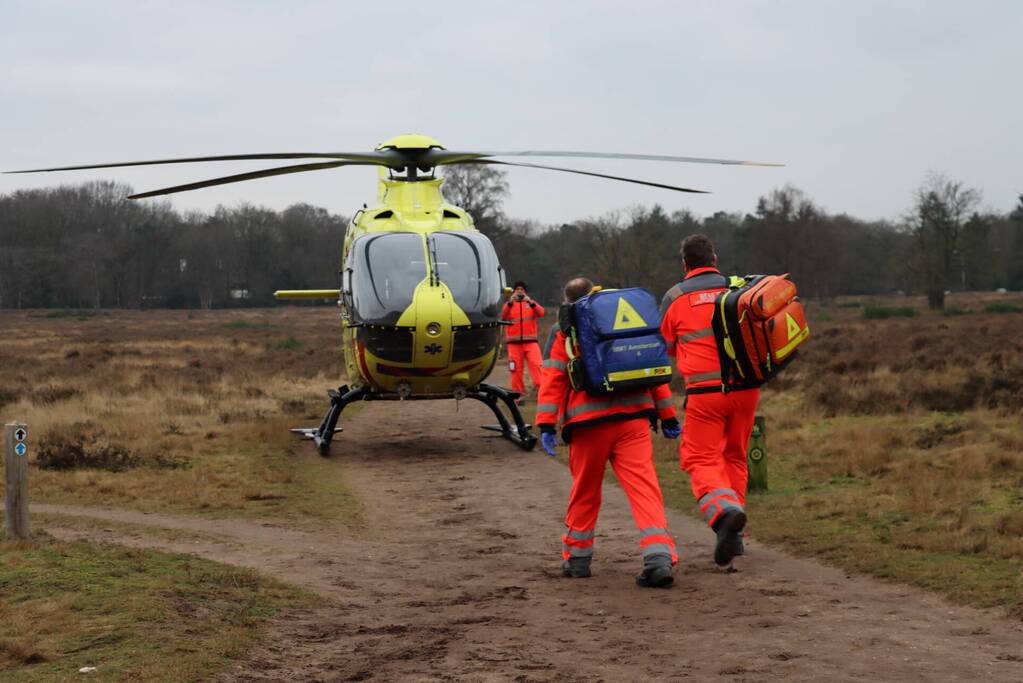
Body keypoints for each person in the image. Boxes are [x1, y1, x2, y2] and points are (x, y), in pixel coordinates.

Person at [537, 277, 682, 588]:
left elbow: (553, 380)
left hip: (588, 425)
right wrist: (668, 416)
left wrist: (546, 425)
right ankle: (658, 557)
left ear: (567, 300)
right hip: (634, 420)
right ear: (594, 293)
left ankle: (577, 560)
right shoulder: (622, 318)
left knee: (585, 492)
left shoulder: (564, 328)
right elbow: (651, 370)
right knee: (644, 489)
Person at [659, 234, 760, 567]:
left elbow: (668, 347)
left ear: (685, 264)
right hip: (746, 390)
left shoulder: (674, 298)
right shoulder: (737, 290)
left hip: (705, 393)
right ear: (714, 259)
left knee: (700, 459)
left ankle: (722, 514)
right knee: (734, 456)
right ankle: (735, 536)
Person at [501, 280, 545, 404]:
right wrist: (510, 302)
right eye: (517, 289)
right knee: (515, 371)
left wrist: (530, 301)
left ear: (525, 292)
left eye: (522, 289)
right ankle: (519, 397)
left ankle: (543, 394)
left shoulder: (531, 303)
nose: (519, 291)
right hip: (513, 345)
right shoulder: (509, 305)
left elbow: (541, 312)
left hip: (531, 343)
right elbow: (503, 316)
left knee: (537, 367)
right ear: (514, 291)